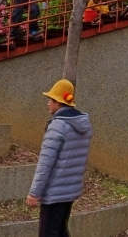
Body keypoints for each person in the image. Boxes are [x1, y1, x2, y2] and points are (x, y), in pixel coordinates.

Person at [27, 79, 93, 237]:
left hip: (54, 191)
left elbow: (45, 163)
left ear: (58, 102)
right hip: (69, 190)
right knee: (60, 230)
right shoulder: (83, 124)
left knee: (49, 232)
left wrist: (34, 193)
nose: (47, 103)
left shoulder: (58, 126)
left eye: (50, 100)